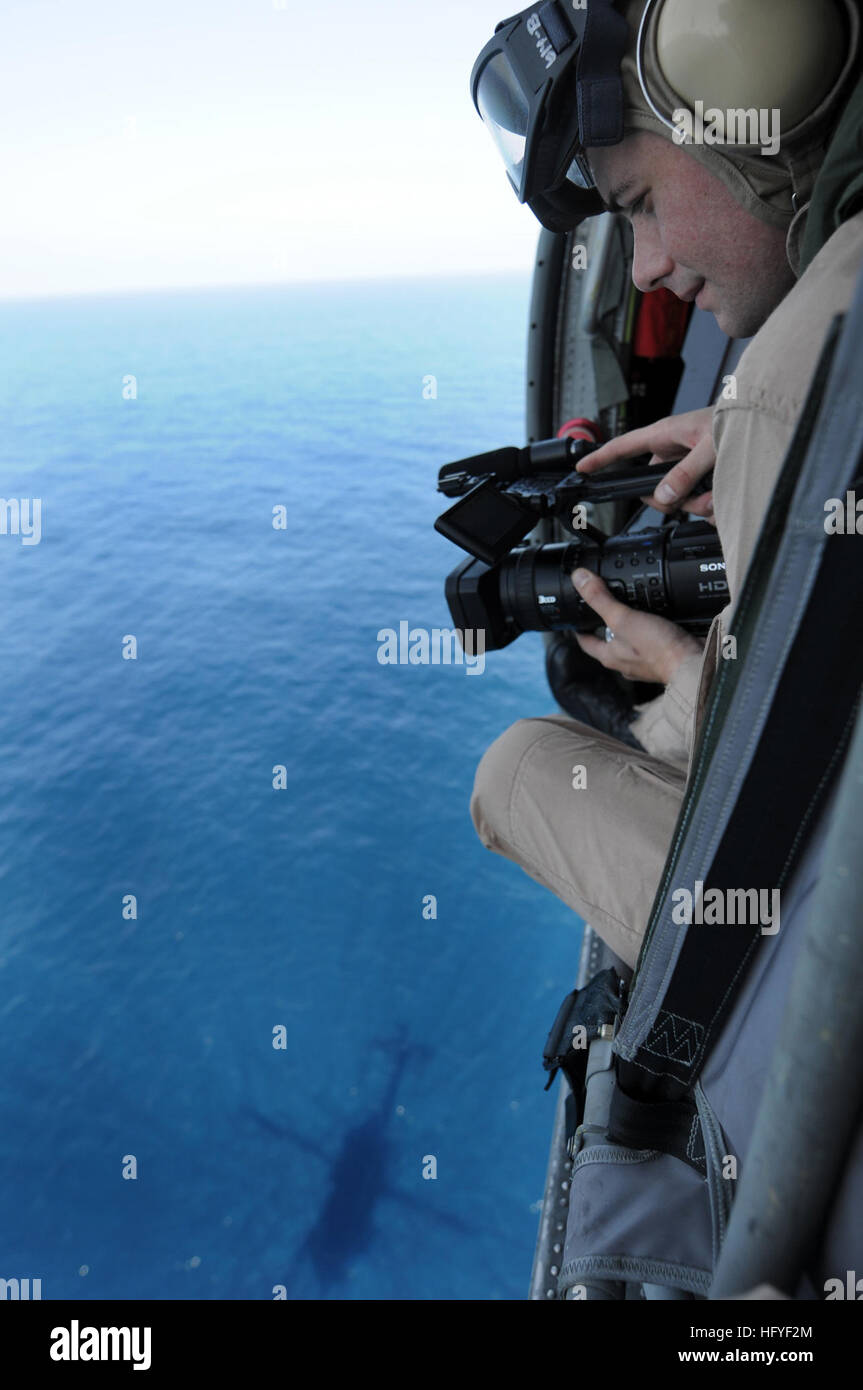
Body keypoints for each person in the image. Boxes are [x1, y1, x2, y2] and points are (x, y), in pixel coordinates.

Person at [468, 0, 863, 968]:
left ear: (744, 105)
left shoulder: (788, 385)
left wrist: (684, 684)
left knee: (514, 773)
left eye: (638, 203)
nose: (642, 268)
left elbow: (810, 809)